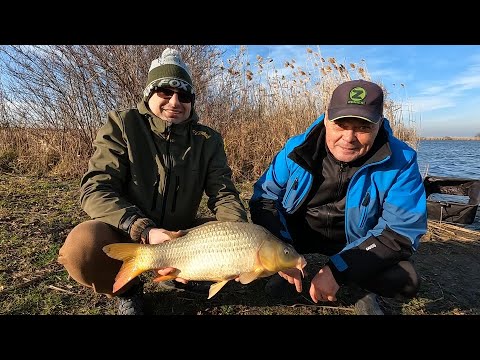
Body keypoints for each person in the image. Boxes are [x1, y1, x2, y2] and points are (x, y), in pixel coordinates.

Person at [58, 48, 248, 315]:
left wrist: (240, 237)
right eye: (165, 92)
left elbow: (224, 194)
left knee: (232, 237)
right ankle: (128, 290)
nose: (174, 102)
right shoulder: (122, 125)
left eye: (184, 95)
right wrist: (143, 230)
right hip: (129, 231)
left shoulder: (208, 140)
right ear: (149, 94)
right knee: (81, 248)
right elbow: (95, 189)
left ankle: (178, 274)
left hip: (180, 236)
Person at [249, 79, 427, 315]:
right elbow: (264, 198)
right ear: (326, 119)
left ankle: (359, 287)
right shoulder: (296, 149)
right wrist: (284, 251)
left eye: (363, 127)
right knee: (257, 246)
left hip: (357, 240)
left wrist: (340, 269)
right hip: (299, 233)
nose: (349, 137)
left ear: (379, 125)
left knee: (405, 280)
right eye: (341, 124)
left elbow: (402, 231)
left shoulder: (402, 160)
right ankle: (290, 269)